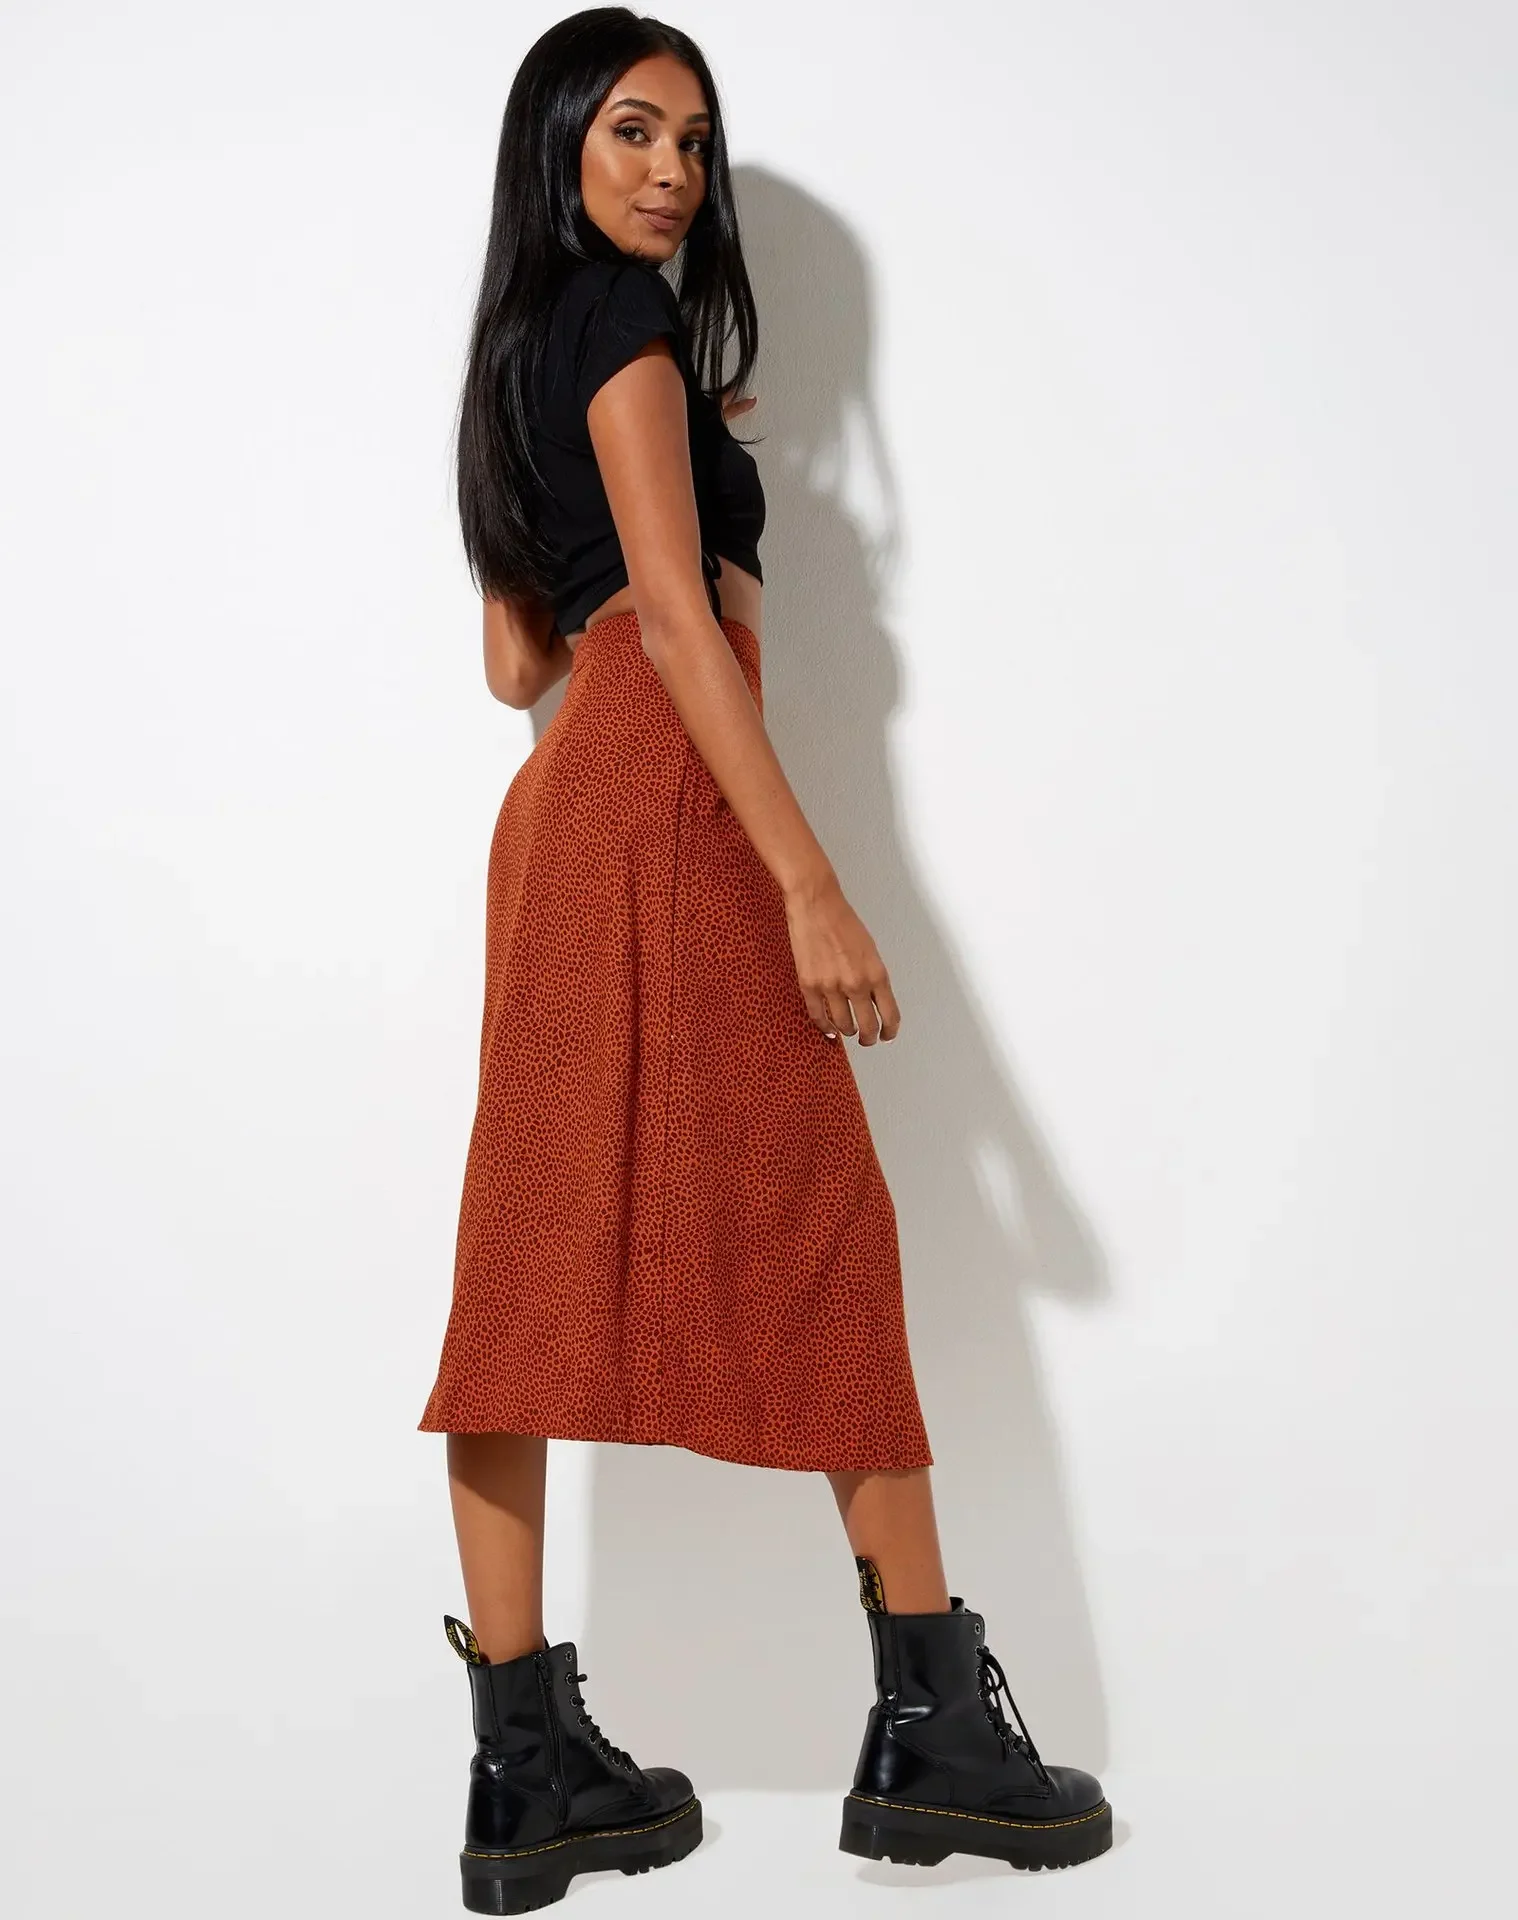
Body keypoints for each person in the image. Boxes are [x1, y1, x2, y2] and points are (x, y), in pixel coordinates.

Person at [416, 10, 1112, 1912]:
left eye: (694, 144)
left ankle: (522, 1773)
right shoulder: (624, 333)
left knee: (527, 1253)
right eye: (631, 132)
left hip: (561, 814)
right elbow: (669, 623)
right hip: (665, 792)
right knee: (821, 1225)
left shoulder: (513, 360)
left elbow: (517, 660)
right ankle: (932, 1731)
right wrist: (807, 880)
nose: (669, 172)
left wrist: (662, 487)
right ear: (560, 143)